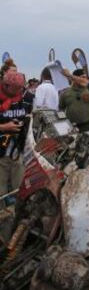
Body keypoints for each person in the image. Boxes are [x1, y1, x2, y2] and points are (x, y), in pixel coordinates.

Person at [0, 71, 30, 205]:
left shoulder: (22, 99)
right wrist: (4, 127)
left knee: (19, 184)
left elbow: (28, 115)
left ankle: (17, 209)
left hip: (17, 149)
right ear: (5, 86)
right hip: (1, 151)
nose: (19, 91)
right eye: (16, 88)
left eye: (21, 88)